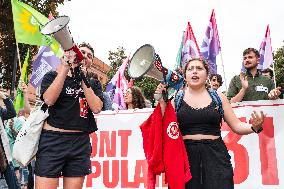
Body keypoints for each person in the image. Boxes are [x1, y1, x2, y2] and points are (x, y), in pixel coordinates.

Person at [155, 58, 265, 189]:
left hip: (216, 156)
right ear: (185, 75)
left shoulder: (219, 97)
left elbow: (236, 125)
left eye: (199, 68)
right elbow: (163, 129)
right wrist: (161, 102)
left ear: (207, 75)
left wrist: (254, 127)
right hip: (185, 159)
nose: (194, 72)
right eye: (190, 69)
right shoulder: (176, 99)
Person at [35, 42, 103, 189]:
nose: (85, 56)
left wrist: (83, 78)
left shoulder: (93, 83)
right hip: (53, 141)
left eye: (89, 55)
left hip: (80, 144)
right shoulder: (52, 76)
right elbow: (49, 100)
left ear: (90, 62)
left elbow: (97, 107)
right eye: (82, 52)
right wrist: (65, 68)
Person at [0, 90, 19, 189]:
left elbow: (12, 113)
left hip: (3, 154)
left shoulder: (0, 110)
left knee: (14, 185)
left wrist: (4, 98)